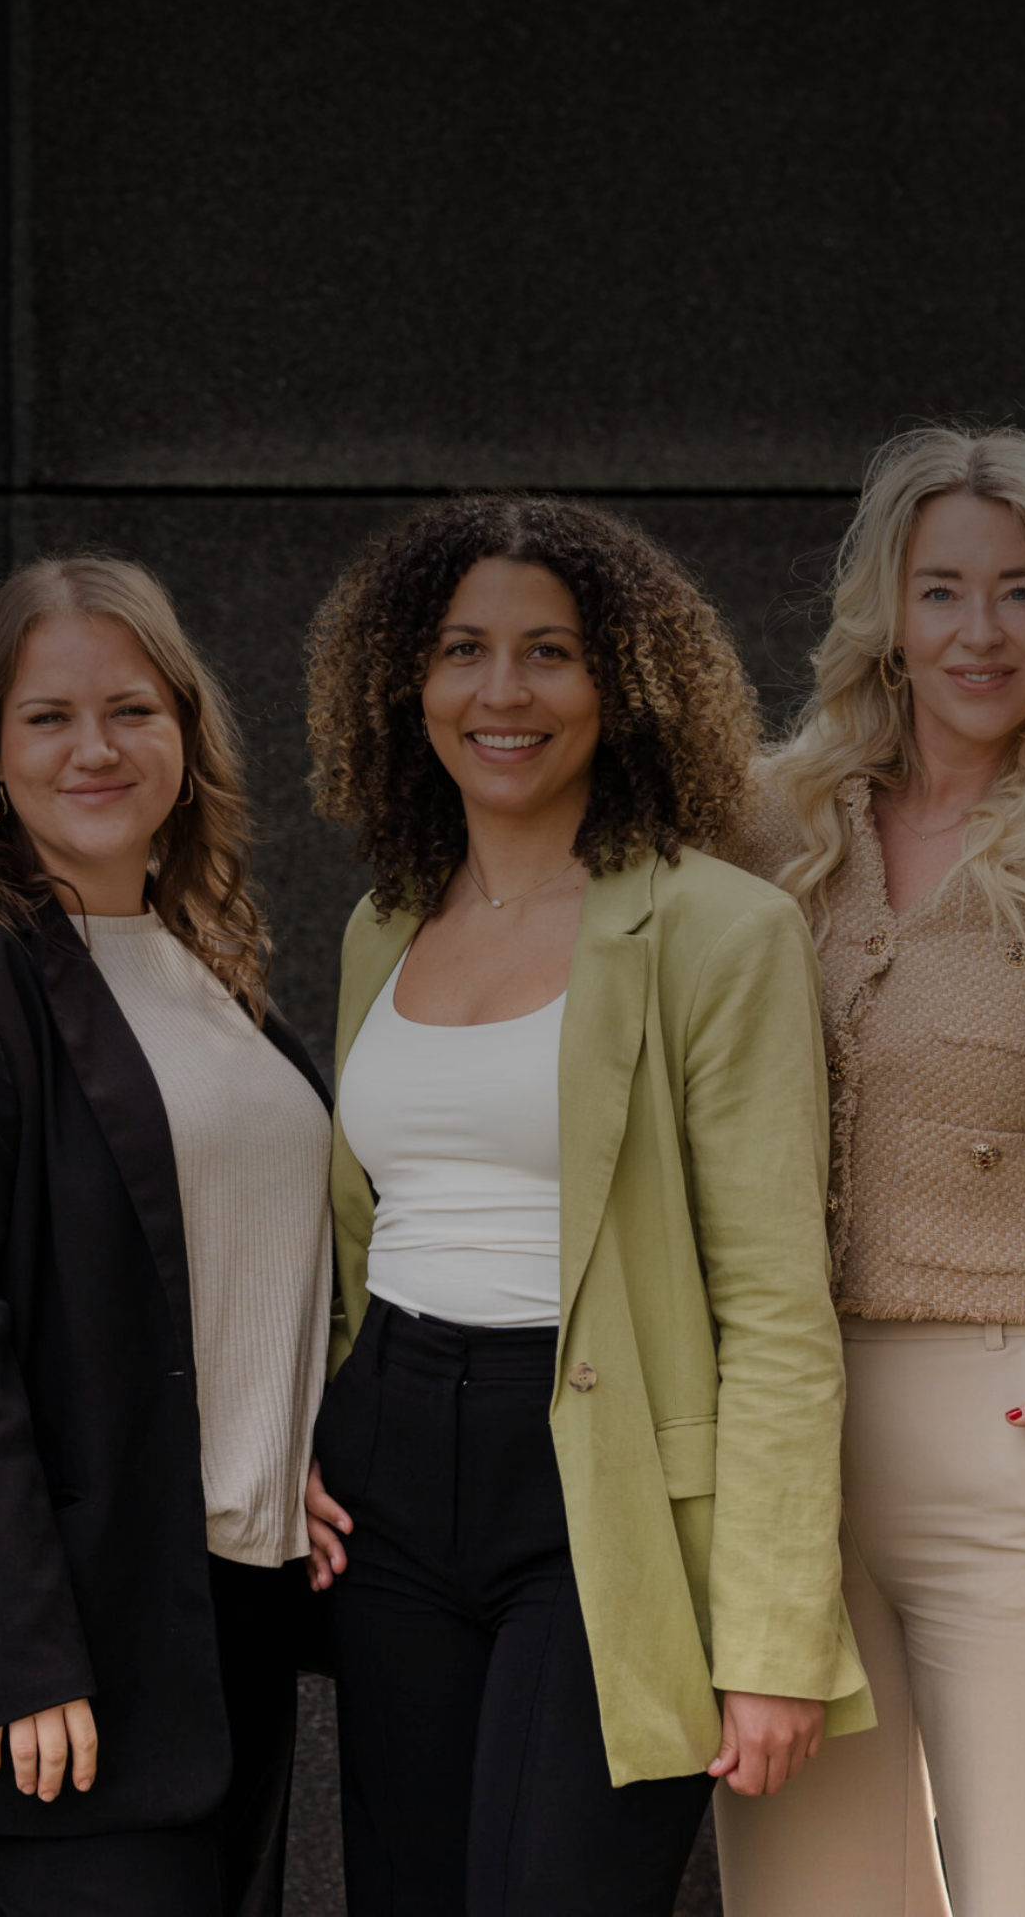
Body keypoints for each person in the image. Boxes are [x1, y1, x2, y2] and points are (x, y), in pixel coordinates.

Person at [300, 494, 874, 1917]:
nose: (502, 691)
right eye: (463, 650)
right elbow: (359, 1237)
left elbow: (775, 1306)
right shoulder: (384, 924)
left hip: (601, 1485)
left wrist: (773, 1637)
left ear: (624, 685)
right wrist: (314, 1426)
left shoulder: (718, 929)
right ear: (408, 682)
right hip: (386, 1483)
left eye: (549, 652)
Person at [0, 555, 334, 1916]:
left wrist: (298, 1442)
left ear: (187, 734)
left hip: (237, 1604)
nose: (94, 749)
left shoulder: (210, 968)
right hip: (77, 1637)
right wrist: (15, 1654)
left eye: (132, 710)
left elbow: (241, 1270)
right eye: (48, 717)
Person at [712, 426, 1025, 1917]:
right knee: (810, 1898)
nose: (983, 631)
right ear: (888, 617)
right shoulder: (772, 824)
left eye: (1023, 591)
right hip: (785, 1456)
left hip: (1023, 1435)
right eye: (944, 591)